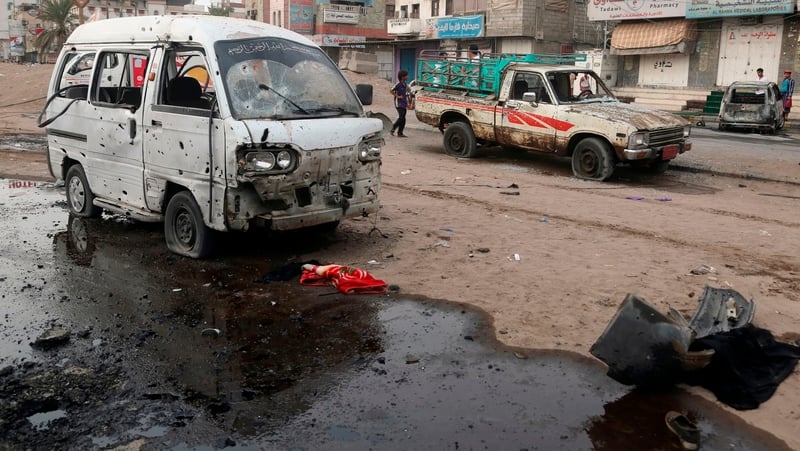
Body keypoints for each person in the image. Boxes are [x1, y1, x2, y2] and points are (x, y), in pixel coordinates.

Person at [390, 69, 410, 137]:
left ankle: (400, 133)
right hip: (398, 103)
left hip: (404, 103)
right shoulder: (398, 84)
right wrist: (397, 96)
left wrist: (408, 103)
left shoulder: (405, 85)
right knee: (401, 118)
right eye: (406, 76)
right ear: (402, 77)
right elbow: (391, 90)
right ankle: (392, 128)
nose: (407, 77)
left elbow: (407, 94)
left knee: (403, 119)